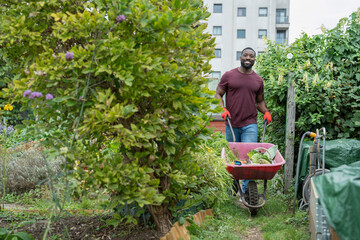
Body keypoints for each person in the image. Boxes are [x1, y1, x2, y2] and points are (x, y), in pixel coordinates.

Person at [215, 47, 272, 195]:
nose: (248, 58)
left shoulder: (258, 80)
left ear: (254, 59)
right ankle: (233, 186)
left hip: (250, 123)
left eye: (251, 56)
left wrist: (266, 112)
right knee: (232, 156)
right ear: (240, 57)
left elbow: (259, 102)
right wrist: (223, 109)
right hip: (231, 123)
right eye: (245, 55)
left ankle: (246, 192)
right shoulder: (229, 76)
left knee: (249, 156)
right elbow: (218, 94)